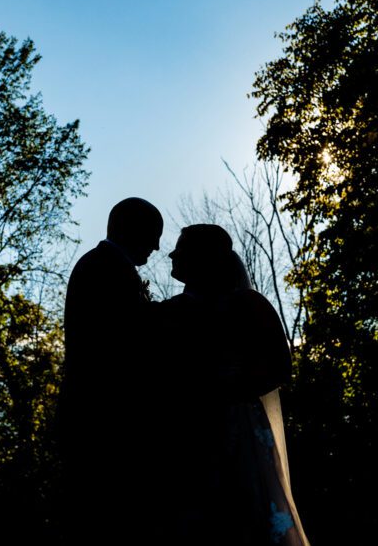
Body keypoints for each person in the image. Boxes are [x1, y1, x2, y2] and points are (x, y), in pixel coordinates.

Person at [157, 224, 311, 546]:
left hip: (236, 431)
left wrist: (227, 387)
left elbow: (281, 367)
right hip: (181, 432)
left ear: (205, 256)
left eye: (182, 247)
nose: (172, 253)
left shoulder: (246, 304)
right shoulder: (169, 312)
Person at [57, 197, 163, 543]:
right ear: (130, 229)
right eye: (153, 235)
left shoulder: (104, 266)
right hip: (101, 418)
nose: (157, 247)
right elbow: (123, 343)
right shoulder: (104, 269)